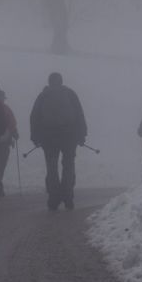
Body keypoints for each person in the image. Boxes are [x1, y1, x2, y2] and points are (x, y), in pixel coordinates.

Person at [30, 72, 87, 211]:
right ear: (61, 81)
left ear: (49, 82)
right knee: (68, 165)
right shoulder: (70, 94)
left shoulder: (43, 95)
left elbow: (34, 117)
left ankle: (53, 198)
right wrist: (82, 135)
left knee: (52, 167)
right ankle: (68, 196)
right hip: (69, 136)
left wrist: (35, 137)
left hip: (49, 137)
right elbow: (79, 114)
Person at [0, 90, 19, 198]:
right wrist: (15, 134)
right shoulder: (6, 109)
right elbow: (12, 124)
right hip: (4, 143)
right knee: (0, 166)